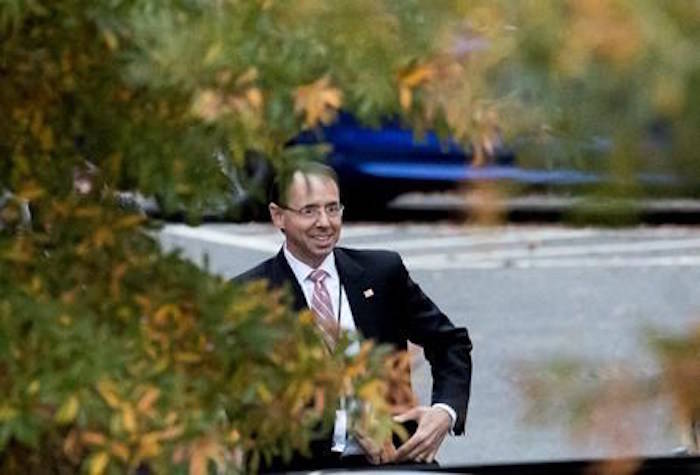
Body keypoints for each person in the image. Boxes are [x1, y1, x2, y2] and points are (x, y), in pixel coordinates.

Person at [233, 162, 472, 471]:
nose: (325, 222)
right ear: (278, 215)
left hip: (392, 461)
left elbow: (450, 342)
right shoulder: (250, 296)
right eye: (309, 211)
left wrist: (444, 412)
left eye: (333, 209)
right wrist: (350, 424)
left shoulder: (381, 273)